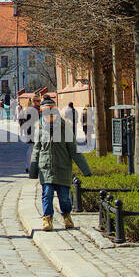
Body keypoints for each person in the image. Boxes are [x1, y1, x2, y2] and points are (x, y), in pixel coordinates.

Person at [32, 96, 92, 231]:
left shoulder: (65, 130)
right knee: (46, 194)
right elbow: (36, 149)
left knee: (64, 196)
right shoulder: (40, 130)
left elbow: (75, 152)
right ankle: (47, 219)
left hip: (63, 168)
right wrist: (33, 168)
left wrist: (85, 169)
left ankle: (66, 216)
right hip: (46, 168)